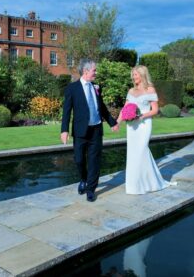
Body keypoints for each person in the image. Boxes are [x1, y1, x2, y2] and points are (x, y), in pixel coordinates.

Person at [61, 58, 119, 202]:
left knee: (94, 160)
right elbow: (66, 111)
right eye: (94, 70)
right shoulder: (72, 88)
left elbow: (102, 107)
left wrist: (112, 122)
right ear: (86, 71)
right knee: (79, 159)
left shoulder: (96, 87)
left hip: (96, 130)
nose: (96, 73)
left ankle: (90, 189)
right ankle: (84, 179)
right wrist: (64, 130)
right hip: (80, 131)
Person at [117, 65, 176, 194]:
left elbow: (155, 110)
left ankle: (147, 183)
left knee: (142, 151)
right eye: (132, 74)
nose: (133, 77)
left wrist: (141, 116)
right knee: (133, 154)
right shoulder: (131, 91)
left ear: (142, 75)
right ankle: (134, 186)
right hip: (132, 126)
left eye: (135, 74)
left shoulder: (150, 89)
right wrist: (117, 122)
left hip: (144, 124)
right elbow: (125, 109)